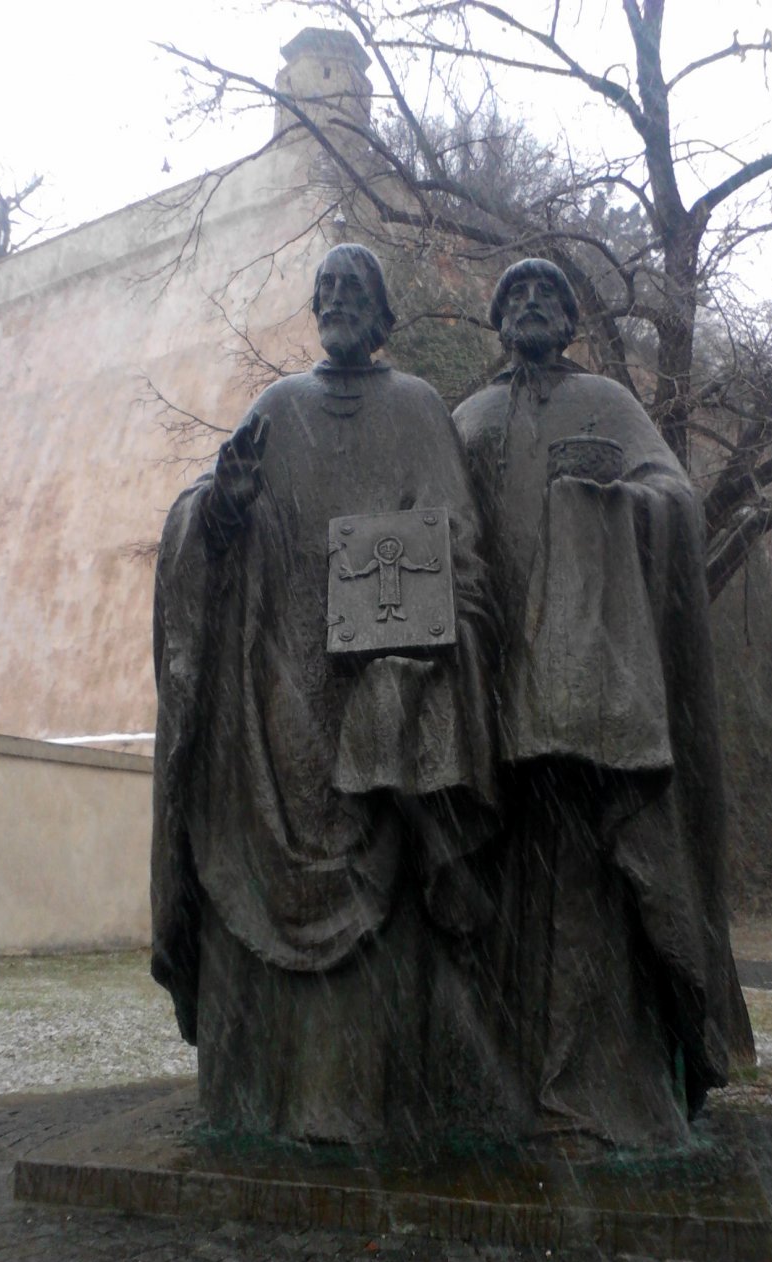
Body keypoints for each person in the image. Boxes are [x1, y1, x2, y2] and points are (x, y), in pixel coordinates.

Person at [151, 244, 512, 1147]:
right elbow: (207, 514)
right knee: (262, 862)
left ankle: (359, 1105)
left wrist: (436, 647)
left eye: (356, 290)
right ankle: (258, 1100)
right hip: (280, 689)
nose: (339, 301)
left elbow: (459, 549)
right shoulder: (278, 407)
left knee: (382, 856)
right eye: (327, 290)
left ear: (384, 313)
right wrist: (224, 505)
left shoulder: (419, 408)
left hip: (380, 684)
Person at [453, 259, 753, 1149]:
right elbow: (430, 528)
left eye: (548, 295)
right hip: (493, 688)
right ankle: (496, 1088)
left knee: (589, 891)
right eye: (515, 295)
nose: (530, 304)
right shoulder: (466, 418)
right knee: (493, 890)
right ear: (499, 319)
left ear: (570, 319)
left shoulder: (609, 405)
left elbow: (677, 499)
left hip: (586, 701)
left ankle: (593, 1089)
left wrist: (613, 511)